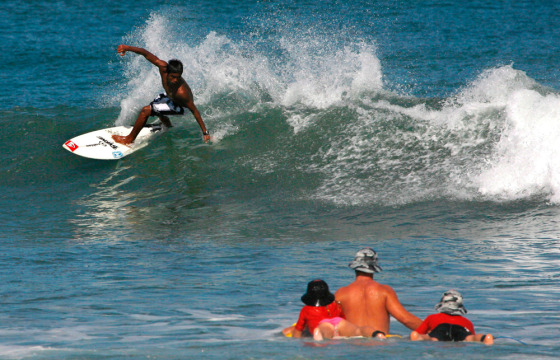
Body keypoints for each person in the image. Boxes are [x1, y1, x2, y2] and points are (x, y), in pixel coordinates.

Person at [111, 44, 210, 145]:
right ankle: (168, 125)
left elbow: (195, 111)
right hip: (171, 97)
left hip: (181, 107)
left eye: (178, 77)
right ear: (167, 71)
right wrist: (127, 48)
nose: (175, 80)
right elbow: (145, 53)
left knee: (146, 110)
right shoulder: (162, 66)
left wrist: (205, 132)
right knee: (157, 102)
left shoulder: (182, 92)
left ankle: (129, 140)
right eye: (173, 76)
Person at [334, 248, 422, 336]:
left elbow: (330, 322)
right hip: (379, 343)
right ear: (374, 267)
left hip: (351, 344)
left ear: (355, 266)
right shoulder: (384, 291)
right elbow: (405, 319)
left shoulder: (341, 293)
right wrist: (431, 329)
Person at [287, 279, 384, 341]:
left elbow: (298, 330)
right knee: (358, 330)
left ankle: (318, 332)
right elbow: (343, 318)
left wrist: (296, 338)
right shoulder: (335, 305)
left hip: (323, 325)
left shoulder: (306, 309)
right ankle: (376, 334)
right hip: (339, 323)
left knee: (324, 332)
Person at [410, 289, 494, 345]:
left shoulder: (432, 317)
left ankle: (418, 338)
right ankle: (485, 338)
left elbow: (420, 331)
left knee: (432, 338)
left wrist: (419, 335)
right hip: (460, 328)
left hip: (441, 328)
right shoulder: (467, 322)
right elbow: (472, 334)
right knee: (470, 338)